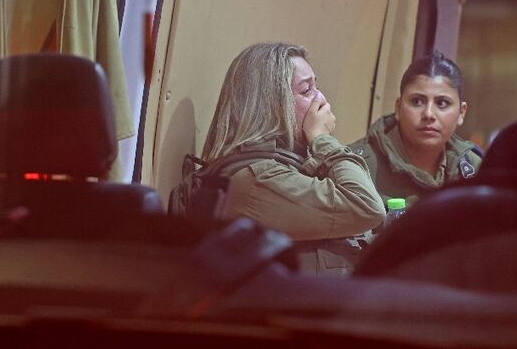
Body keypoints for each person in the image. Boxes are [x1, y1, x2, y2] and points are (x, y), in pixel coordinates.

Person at [202, 42, 386, 274]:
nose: (322, 99)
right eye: (307, 91)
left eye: (316, 87)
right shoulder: (258, 179)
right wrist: (322, 138)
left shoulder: (288, 162)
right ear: (271, 104)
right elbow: (366, 207)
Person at [350, 51, 483, 205]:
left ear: (461, 112)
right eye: (417, 101)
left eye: (442, 103)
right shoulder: (356, 166)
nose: (428, 114)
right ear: (398, 108)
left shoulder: (473, 169)